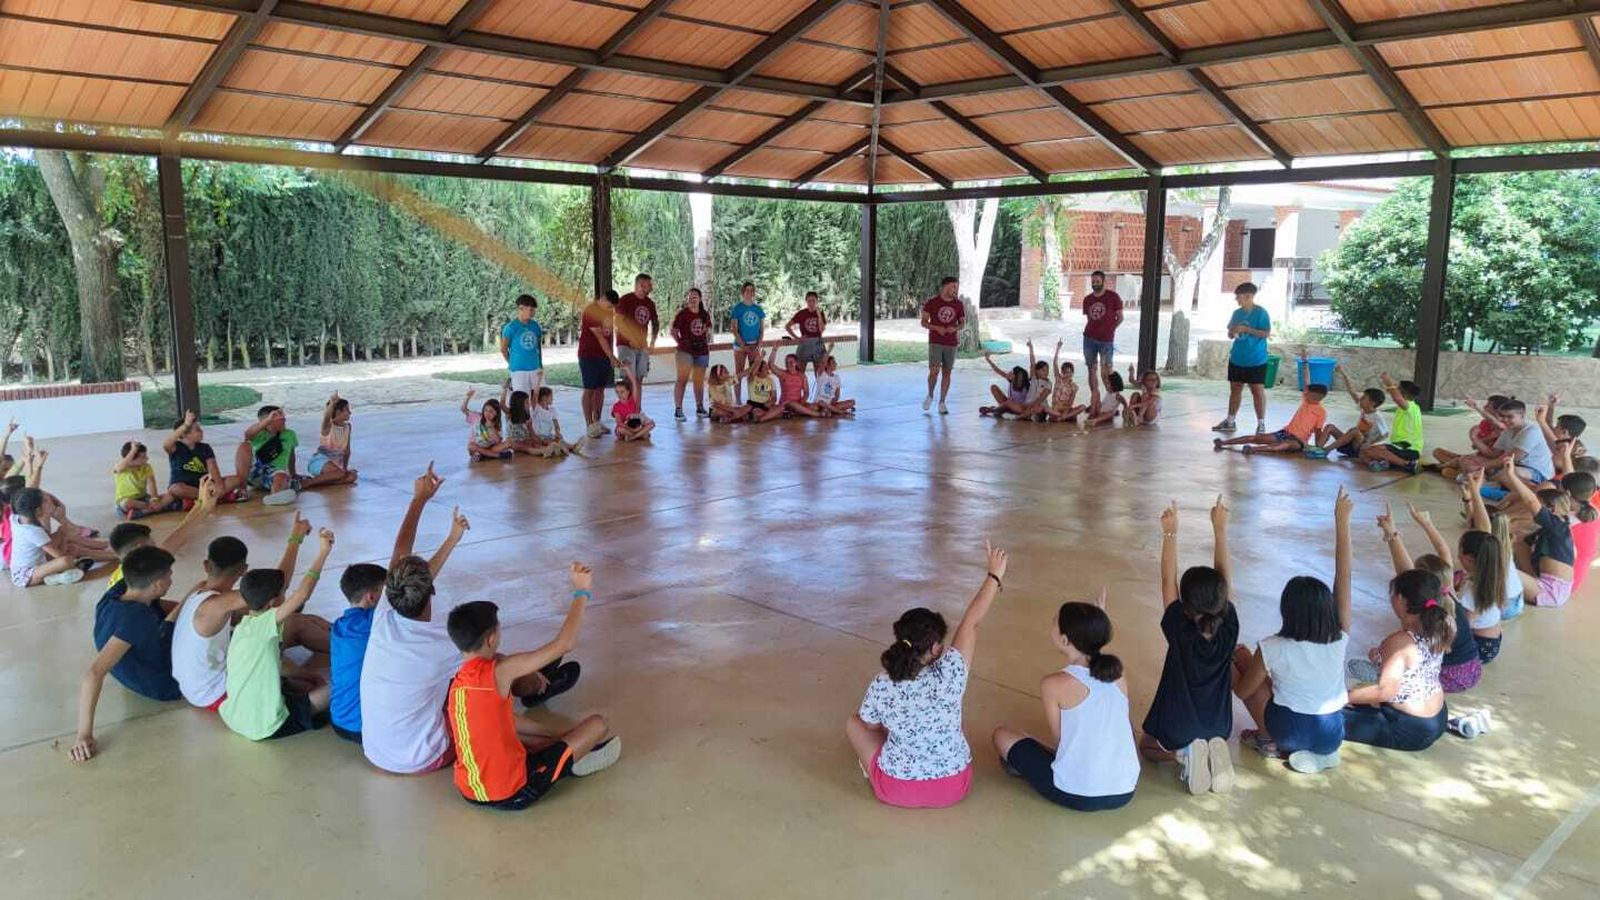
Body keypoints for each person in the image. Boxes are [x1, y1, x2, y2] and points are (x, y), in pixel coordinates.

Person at [360, 465, 577, 775]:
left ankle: (534, 684)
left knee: (468, 673)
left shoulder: (384, 614)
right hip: (422, 757)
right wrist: (527, 676)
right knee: (484, 682)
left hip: (377, 750)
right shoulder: (439, 644)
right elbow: (496, 665)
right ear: (430, 591)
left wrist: (427, 510)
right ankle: (538, 693)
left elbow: (400, 552)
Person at [846, 542, 1007, 809]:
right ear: (934, 648)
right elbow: (971, 622)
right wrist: (994, 576)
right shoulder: (952, 673)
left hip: (896, 789)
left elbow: (871, 726)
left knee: (853, 723)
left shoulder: (882, 684)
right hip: (955, 786)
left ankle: (875, 769)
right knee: (953, 722)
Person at [444, 572, 622, 810]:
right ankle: (569, 761)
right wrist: (582, 592)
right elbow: (564, 644)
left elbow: (507, 721)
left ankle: (565, 749)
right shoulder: (500, 672)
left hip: (468, 788)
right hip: (512, 792)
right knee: (598, 725)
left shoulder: (458, 683)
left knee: (532, 738)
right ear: (491, 639)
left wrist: (557, 734)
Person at [1232, 488, 1353, 774]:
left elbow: (1243, 691)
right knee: (1254, 663)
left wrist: (1239, 664)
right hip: (1332, 734)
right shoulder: (1340, 635)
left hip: (1291, 731)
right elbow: (1344, 577)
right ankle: (1318, 754)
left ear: (1287, 611)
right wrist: (1342, 522)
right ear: (1327, 609)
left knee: (1235, 663)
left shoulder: (1273, 645)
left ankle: (1269, 739)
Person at [992, 587, 1139, 811]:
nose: (1051, 623)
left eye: (1055, 621)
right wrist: (1094, 628)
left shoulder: (1053, 684)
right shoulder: (1118, 674)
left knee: (1002, 735)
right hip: (1125, 789)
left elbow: (1061, 743)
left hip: (1077, 793)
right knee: (1034, 738)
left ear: (1064, 639)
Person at [1139, 497, 1237, 795]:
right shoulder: (1229, 628)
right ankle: (1211, 752)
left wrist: (1170, 533)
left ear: (1185, 606)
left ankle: (1183, 754)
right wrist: (1220, 529)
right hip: (1220, 725)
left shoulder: (1180, 632)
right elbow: (1224, 580)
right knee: (1205, 736)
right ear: (1221, 603)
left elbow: (1167, 579)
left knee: (1146, 745)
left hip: (1179, 727)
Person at [219, 527, 336, 741]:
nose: (286, 595)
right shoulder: (266, 625)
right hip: (265, 726)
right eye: (283, 593)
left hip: (237, 717)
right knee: (338, 690)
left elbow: (280, 664)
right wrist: (323, 552)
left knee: (307, 683)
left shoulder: (244, 626)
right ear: (274, 602)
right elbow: (301, 595)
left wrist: (308, 676)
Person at [71, 545, 182, 760]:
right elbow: (93, 674)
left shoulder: (117, 591)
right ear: (158, 584)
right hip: (164, 684)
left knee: (191, 607)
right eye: (169, 577)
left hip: (133, 668)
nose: (171, 581)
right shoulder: (136, 618)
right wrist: (83, 734)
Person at [1342, 568, 1451, 753]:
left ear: (1400, 599)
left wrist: (1340, 697)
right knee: (1361, 696)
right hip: (1439, 717)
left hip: (1410, 728)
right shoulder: (1444, 624)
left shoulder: (1400, 641)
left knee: (1323, 715)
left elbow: (1385, 691)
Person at [1377, 503, 1479, 694]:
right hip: (1473, 668)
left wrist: (1382, 656)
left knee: (1389, 671)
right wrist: (1393, 531)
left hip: (1452, 676)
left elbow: (1406, 573)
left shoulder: (1423, 620)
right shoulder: (1448, 594)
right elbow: (1441, 554)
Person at [169, 535, 250, 712]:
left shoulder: (198, 592)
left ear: (206, 565)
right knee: (283, 629)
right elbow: (276, 590)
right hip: (214, 695)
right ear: (243, 569)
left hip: (192, 689)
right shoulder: (218, 604)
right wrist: (295, 541)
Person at [1499, 465, 1578, 608]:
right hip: (1551, 583)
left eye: (1539, 508)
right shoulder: (1559, 526)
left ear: (1551, 510)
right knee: (1518, 541)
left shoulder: (1556, 526)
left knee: (1498, 568)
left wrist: (1511, 475)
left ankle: (1517, 595)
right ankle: (1527, 578)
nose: (1531, 512)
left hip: (1550, 591)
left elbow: (1531, 501)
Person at [329, 562, 387, 743]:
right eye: (385, 592)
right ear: (371, 596)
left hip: (338, 721)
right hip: (364, 729)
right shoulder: (375, 623)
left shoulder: (339, 625)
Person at [1212, 283, 1271, 434]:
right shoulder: (1236, 313)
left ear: (1249, 297)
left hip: (1256, 359)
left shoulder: (1261, 313)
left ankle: (1261, 424)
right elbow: (1230, 333)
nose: (1237, 300)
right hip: (1237, 357)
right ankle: (1230, 421)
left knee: (1257, 390)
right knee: (1235, 388)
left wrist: (1247, 329)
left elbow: (1265, 333)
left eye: (1239, 297)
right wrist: (1232, 332)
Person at [8, 487, 91, 587]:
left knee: (70, 547)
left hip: (40, 559)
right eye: (45, 501)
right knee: (66, 560)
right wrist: (63, 531)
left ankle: (58, 573)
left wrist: (51, 521)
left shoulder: (17, 517)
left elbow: (47, 538)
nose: (49, 503)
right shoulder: (33, 532)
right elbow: (59, 555)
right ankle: (55, 576)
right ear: (38, 511)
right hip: (25, 575)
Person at [1214, 384, 1327, 455]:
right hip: (1285, 433)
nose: (1305, 393)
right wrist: (1305, 362)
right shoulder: (1306, 401)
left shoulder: (1321, 412)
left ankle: (1254, 450)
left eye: (1307, 393)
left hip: (1298, 441)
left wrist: (1318, 447)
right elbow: (1306, 381)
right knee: (1255, 438)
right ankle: (1223, 443)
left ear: (1315, 396)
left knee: (1284, 446)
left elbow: (1318, 431)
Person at [163, 411, 243, 503]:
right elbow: (166, 443)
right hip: (184, 485)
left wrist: (219, 485)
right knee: (175, 489)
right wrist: (186, 424)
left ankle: (202, 499)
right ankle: (215, 497)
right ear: (184, 434)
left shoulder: (205, 447)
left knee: (236, 479)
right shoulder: (175, 447)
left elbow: (212, 466)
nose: (202, 431)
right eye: (197, 430)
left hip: (204, 485)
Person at [1360, 374, 1425, 474]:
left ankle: (1407, 464)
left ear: (1404, 394)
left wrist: (1388, 382)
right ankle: (1380, 463)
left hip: (1408, 448)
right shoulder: (1406, 408)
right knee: (1364, 451)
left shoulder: (1411, 407)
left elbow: (1397, 398)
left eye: (1398, 389)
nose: (1395, 391)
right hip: (1398, 446)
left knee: (1373, 450)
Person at [1317, 367, 1388, 459]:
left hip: (1360, 447)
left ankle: (1326, 450)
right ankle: (1317, 449)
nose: (1360, 399)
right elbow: (1351, 391)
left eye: (1363, 398)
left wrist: (1369, 443)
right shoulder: (1363, 409)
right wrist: (1343, 373)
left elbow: (1385, 434)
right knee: (1330, 427)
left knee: (1355, 431)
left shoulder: (1377, 417)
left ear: (1372, 403)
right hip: (1351, 442)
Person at [577, 290, 621, 439]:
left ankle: (597, 421)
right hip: (589, 355)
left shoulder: (608, 312)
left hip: (603, 356)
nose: (610, 310)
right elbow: (600, 337)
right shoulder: (591, 311)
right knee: (589, 389)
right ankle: (589, 424)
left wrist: (609, 355)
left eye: (612, 308)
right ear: (602, 298)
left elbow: (609, 336)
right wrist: (612, 357)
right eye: (608, 306)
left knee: (600, 389)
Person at [921, 276, 964, 415]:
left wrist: (955, 328)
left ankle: (942, 402)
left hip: (951, 343)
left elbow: (962, 323)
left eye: (956, 287)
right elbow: (923, 322)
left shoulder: (958, 304)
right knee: (934, 371)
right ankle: (930, 395)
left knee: (947, 372)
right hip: (936, 341)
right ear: (945, 287)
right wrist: (936, 328)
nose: (955, 290)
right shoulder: (932, 302)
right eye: (953, 287)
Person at [615, 273, 659, 403]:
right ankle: (625, 411)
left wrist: (652, 342)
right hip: (625, 344)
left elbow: (655, 323)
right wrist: (630, 340)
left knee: (639, 379)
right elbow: (618, 322)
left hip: (642, 345)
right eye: (648, 285)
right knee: (628, 379)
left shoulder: (650, 303)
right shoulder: (625, 300)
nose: (651, 288)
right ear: (640, 285)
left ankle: (636, 409)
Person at [671, 287, 713, 422]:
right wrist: (682, 343)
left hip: (701, 350)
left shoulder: (704, 314)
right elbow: (673, 331)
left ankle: (700, 406)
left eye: (695, 296)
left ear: (700, 299)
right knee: (682, 379)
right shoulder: (682, 314)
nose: (692, 299)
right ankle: (678, 409)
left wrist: (703, 342)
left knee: (699, 380)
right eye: (690, 297)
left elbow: (707, 329)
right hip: (685, 351)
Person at [1080, 270, 1123, 399]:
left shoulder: (1113, 297)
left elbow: (1120, 317)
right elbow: (1090, 318)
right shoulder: (1087, 299)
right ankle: (1095, 400)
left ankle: (1112, 400)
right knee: (1091, 369)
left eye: (1097, 281)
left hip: (1106, 341)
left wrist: (1110, 329)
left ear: (1104, 281)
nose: (1095, 284)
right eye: (1093, 282)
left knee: (1107, 370)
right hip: (1089, 339)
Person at [112, 440, 179, 519]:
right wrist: (133, 450)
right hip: (127, 501)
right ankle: (159, 508)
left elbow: (152, 483)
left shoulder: (146, 467)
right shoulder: (121, 467)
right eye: (143, 457)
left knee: (170, 496)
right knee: (126, 504)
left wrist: (154, 499)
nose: (147, 458)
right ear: (131, 459)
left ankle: (143, 512)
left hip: (144, 498)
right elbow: (121, 467)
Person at [307, 391, 357, 484]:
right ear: (338, 412)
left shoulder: (348, 427)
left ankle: (321, 482)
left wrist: (345, 468)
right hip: (320, 463)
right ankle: (305, 484)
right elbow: (326, 417)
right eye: (347, 409)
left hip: (336, 466)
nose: (350, 412)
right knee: (340, 473)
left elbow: (347, 451)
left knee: (352, 476)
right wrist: (332, 403)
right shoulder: (328, 426)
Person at [501, 293, 545, 396]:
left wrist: (540, 366)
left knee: (541, 397)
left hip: (535, 369)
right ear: (520, 308)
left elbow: (538, 348)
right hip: (518, 370)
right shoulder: (510, 327)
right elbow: (503, 349)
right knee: (521, 400)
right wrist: (512, 362)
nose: (532, 313)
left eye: (533, 310)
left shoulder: (535, 326)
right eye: (529, 309)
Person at [728, 281, 765, 404]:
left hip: (754, 345)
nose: (749, 292)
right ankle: (737, 399)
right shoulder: (737, 308)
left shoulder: (758, 309)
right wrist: (743, 345)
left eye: (751, 290)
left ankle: (753, 398)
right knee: (738, 372)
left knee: (754, 371)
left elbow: (762, 330)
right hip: (740, 346)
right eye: (747, 290)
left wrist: (758, 344)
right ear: (743, 292)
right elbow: (734, 329)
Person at [530, 386, 588, 458]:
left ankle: (572, 446)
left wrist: (557, 432)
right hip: (538, 436)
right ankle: (560, 448)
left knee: (559, 440)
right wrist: (538, 380)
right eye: (551, 396)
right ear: (544, 398)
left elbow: (556, 423)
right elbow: (535, 396)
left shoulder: (552, 410)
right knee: (549, 441)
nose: (552, 398)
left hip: (549, 435)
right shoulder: (537, 409)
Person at [978, 354, 1036, 420]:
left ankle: (992, 410)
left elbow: (1033, 365)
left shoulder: (1025, 385)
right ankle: (999, 409)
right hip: (1008, 405)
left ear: (1016, 376)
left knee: (1009, 403)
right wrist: (989, 360)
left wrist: (1030, 348)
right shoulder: (1011, 381)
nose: (1009, 373)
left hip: (1020, 408)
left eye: (1011, 373)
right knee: (993, 387)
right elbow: (998, 370)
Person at [461, 388, 513, 461]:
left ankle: (484, 455)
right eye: (486, 410)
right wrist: (468, 397)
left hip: (490, 448)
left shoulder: (496, 424)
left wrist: (491, 428)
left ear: (496, 414)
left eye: (491, 411)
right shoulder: (477, 417)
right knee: (471, 446)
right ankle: (496, 456)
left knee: (508, 443)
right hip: (477, 447)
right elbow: (463, 409)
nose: (487, 413)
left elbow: (498, 441)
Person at [787, 290, 827, 379]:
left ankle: (820, 392)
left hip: (817, 343)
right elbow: (787, 326)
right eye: (809, 301)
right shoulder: (801, 313)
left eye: (814, 301)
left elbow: (822, 330)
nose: (811, 303)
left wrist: (819, 315)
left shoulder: (820, 313)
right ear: (806, 301)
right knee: (799, 373)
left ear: (817, 301)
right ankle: (798, 391)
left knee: (819, 374)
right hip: (804, 344)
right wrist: (797, 338)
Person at [612, 364, 656, 442]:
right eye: (617, 392)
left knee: (652, 424)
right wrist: (633, 430)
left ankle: (633, 437)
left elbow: (634, 382)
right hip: (625, 428)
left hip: (636, 426)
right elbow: (619, 423)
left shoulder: (633, 400)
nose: (619, 394)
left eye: (622, 392)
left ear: (628, 392)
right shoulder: (616, 406)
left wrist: (627, 369)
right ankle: (639, 435)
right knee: (621, 430)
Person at [812, 347, 855, 417]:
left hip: (830, 403)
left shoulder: (836, 377)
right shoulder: (821, 374)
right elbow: (823, 362)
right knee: (821, 403)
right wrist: (829, 349)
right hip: (819, 403)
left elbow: (837, 395)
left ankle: (828, 410)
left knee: (852, 402)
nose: (836, 364)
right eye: (833, 362)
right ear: (827, 365)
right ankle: (840, 412)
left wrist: (832, 402)